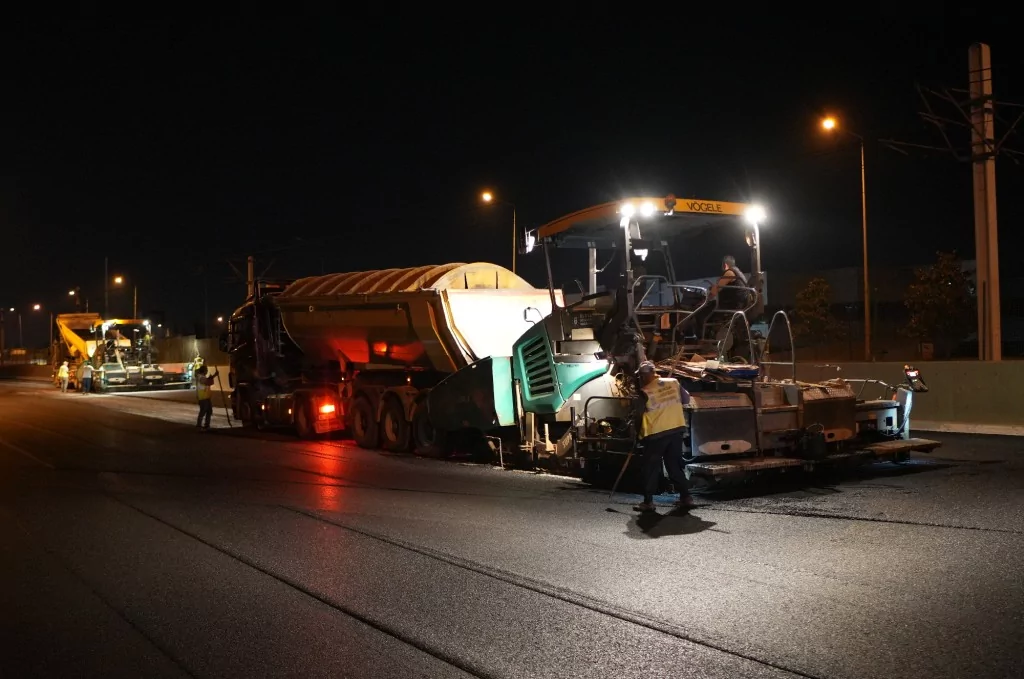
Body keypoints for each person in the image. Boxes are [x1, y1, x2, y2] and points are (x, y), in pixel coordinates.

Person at [632, 361, 695, 512]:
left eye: (641, 375)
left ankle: (648, 502)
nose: (641, 378)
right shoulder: (673, 382)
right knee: (674, 466)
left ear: (645, 375)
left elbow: (638, 417)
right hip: (676, 429)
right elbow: (686, 400)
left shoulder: (645, 391)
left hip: (656, 434)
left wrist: (637, 435)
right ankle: (686, 498)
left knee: (651, 468)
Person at [195, 365, 219, 430]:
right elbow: (207, 382)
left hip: (206, 397)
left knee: (209, 411)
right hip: (203, 398)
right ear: (204, 371)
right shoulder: (200, 377)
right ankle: (199, 425)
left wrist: (213, 376)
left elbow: (208, 381)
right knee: (203, 411)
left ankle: (207, 425)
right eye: (206, 370)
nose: (207, 371)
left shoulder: (202, 377)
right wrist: (212, 377)